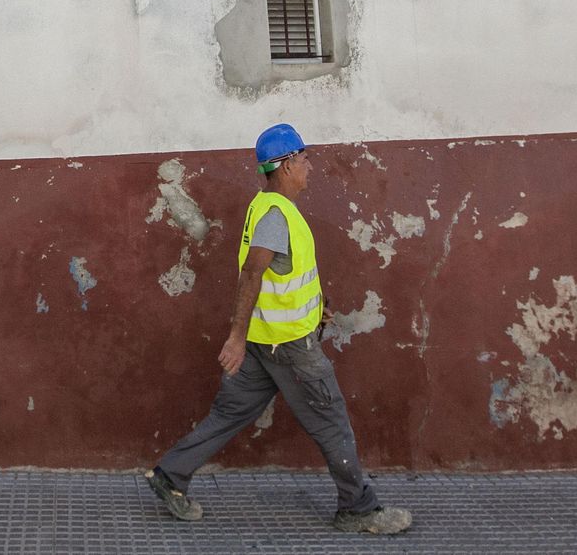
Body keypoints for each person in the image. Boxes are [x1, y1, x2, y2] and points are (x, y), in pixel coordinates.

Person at [143, 124, 412, 535]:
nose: (309, 167)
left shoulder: (266, 206)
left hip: (264, 342)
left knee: (230, 413)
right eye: (304, 160)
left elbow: (283, 277)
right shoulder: (275, 215)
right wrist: (234, 337)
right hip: (288, 348)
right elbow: (253, 273)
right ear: (286, 166)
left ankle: (171, 475)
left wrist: (315, 308)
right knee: (332, 420)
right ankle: (358, 508)